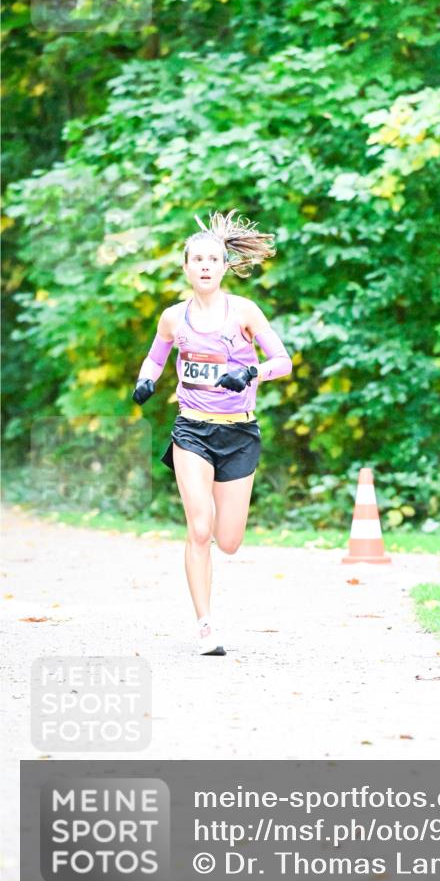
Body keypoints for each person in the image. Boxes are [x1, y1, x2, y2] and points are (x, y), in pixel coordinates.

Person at [132, 210, 292, 656]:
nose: (204, 266)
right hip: (192, 430)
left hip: (239, 434)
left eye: (212, 259)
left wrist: (251, 373)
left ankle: (212, 585)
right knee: (199, 528)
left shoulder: (243, 311)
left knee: (229, 541)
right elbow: (155, 359)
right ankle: (205, 627)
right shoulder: (172, 318)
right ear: (185, 266)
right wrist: (146, 380)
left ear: (224, 267)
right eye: (196, 259)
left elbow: (284, 361)